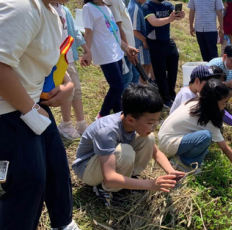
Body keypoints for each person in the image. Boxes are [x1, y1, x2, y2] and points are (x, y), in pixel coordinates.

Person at [0, 0, 79, 229]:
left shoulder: (50, 10)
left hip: (30, 106)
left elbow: (49, 59)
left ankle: (64, 223)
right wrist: (31, 112)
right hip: (9, 113)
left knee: (56, 170)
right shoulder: (22, 7)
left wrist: (67, 86)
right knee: (26, 184)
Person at [72, 84, 185, 206]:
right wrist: (151, 184)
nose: (154, 127)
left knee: (148, 139)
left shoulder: (130, 121)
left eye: (157, 121)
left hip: (105, 162)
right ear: (131, 119)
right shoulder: (107, 131)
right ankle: (105, 189)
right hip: (88, 169)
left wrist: (171, 171)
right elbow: (109, 176)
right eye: (150, 123)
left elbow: (156, 152)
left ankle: (128, 179)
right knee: (125, 153)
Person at [158, 79, 232, 182]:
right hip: (167, 144)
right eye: (224, 102)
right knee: (206, 136)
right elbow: (225, 148)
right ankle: (183, 164)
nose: (225, 105)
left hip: (165, 137)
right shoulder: (206, 118)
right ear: (213, 102)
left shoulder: (197, 102)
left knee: (206, 139)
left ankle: (183, 157)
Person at [81, 0, 138, 118]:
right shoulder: (88, 8)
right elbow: (88, 32)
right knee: (117, 86)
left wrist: (126, 47)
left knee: (118, 87)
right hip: (105, 53)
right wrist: (87, 52)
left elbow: (114, 32)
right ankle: (102, 115)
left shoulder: (106, 7)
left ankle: (118, 116)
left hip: (116, 51)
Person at [170, 65, 232, 135]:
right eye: (207, 83)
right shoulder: (187, 94)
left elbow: (221, 112)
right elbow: (187, 119)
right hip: (178, 131)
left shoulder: (197, 93)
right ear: (197, 81)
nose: (208, 86)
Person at [52, 2, 90, 140]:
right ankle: (66, 124)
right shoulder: (46, 9)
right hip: (55, 60)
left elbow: (74, 32)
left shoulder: (65, 10)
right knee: (67, 91)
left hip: (68, 58)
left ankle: (81, 123)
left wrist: (86, 49)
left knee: (77, 90)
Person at [142, 0, 185, 108]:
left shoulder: (167, 4)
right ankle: (165, 99)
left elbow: (176, 17)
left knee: (173, 68)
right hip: (155, 42)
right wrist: (170, 18)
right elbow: (154, 22)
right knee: (160, 72)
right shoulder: (148, 5)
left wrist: (180, 15)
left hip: (167, 40)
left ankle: (171, 94)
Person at [107, 0, 140, 90]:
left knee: (134, 76)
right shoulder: (114, 1)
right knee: (126, 81)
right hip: (123, 50)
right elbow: (118, 27)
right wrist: (127, 49)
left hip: (128, 47)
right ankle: (123, 103)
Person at [128, 0, 155, 83]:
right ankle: (142, 90)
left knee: (147, 66)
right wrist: (144, 40)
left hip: (142, 43)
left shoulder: (138, 5)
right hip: (139, 44)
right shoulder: (135, 8)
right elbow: (134, 30)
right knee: (143, 70)